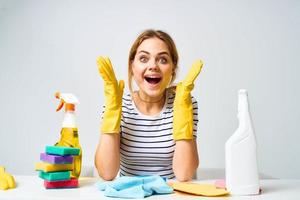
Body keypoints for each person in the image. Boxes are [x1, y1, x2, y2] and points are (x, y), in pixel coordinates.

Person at [95, 29, 203, 181]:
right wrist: (113, 110)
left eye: (163, 60)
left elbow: (184, 174)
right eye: (144, 59)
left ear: (173, 68)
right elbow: (107, 173)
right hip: (129, 196)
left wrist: (183, 112)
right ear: (132, 66)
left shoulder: (185, 104)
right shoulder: (118, 105)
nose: (153, 66)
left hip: (170, 195)